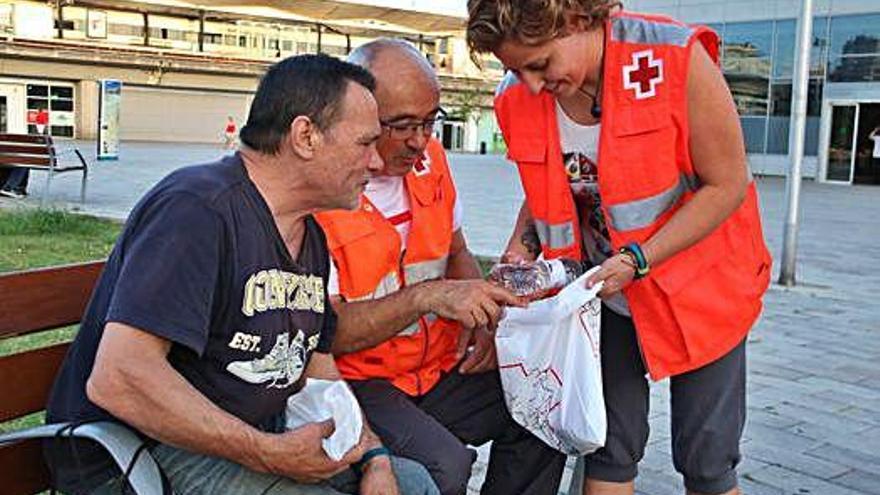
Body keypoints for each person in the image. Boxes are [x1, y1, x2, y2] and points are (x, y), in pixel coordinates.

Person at [44, 54, 438, 495]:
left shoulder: (308, 234)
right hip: (141, 453)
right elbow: (119, 378)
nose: (377, 163)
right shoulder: (198, 208)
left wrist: (373, 456)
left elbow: (318, 367)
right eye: (365, 143)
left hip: (246, 438)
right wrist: (265, 451)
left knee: (413, 483)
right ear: (305, 136)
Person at [466, 2, 772, 495]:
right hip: (604, 291)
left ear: (574, 20)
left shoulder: (674, 58)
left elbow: (728, 183)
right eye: (514, 70)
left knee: (707, 457)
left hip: (702, 288)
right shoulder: (518, 95)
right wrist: (519, 253)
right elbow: (548, 181)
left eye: (540, 65)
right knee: (607, 446)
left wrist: (638, 259)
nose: (532, 86)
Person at [314, 39, 567, 495]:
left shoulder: (431, 163)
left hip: (438, 365)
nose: (420, 140)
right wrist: (428, 297)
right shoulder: (321, 195)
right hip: (358, 382)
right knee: (443, 468)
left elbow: (457, 252)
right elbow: (326, 333)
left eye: (431, 121)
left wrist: (486, 322)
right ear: (359, 116)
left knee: (543, 405)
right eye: (403, 125)